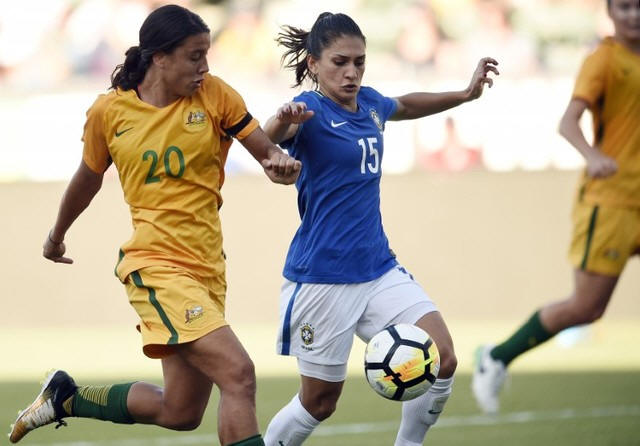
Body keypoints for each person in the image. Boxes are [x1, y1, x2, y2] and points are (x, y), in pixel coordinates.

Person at [8, 5, 300, 446]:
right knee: (238, 373)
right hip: (156, 265)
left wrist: (280, 165)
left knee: (181, 411)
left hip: (207, 268)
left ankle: (66, 398)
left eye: (207, 55)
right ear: (159, 57)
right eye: (194, 56)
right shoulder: (110, 112)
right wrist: (56, 235)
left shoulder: (216, 95)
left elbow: (266, 152)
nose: (204, 67)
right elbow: (88, 178)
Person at [260, 12, 498, 446]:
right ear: (313, 64)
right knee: (319, 403)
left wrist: (465, 94)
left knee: (442, 359)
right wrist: (281, 118)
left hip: (377, 268)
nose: (351, 72)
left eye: (359, 62)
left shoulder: (370, 103)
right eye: (339, 62)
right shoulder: (310, 110)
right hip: (323, 277)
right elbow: (271, 134)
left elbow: (405, 105)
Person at [472, 0, 640, 414]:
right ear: (610, 13)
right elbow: (568, 122)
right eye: (624, 7)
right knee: (587, 307)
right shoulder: (604, 60)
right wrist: (592, 156)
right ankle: (497, 357)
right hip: (613, 200)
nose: (633, 15)